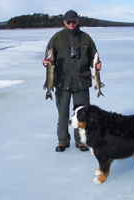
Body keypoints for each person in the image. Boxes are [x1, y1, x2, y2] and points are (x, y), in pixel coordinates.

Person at [43, 10, 102, 152]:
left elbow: (93, 57)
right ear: (64, 22)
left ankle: (81, 141)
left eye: (73, 21)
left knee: (82, 114)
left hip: (81, 81)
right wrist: (45, 62)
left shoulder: (86, 38)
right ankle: (63, 141)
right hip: (62, 82)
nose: (71, 24)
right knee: (63, 114)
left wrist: (98, 64)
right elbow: (48, 56)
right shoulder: (57, 38)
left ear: (77, 21)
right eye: (68, 22)